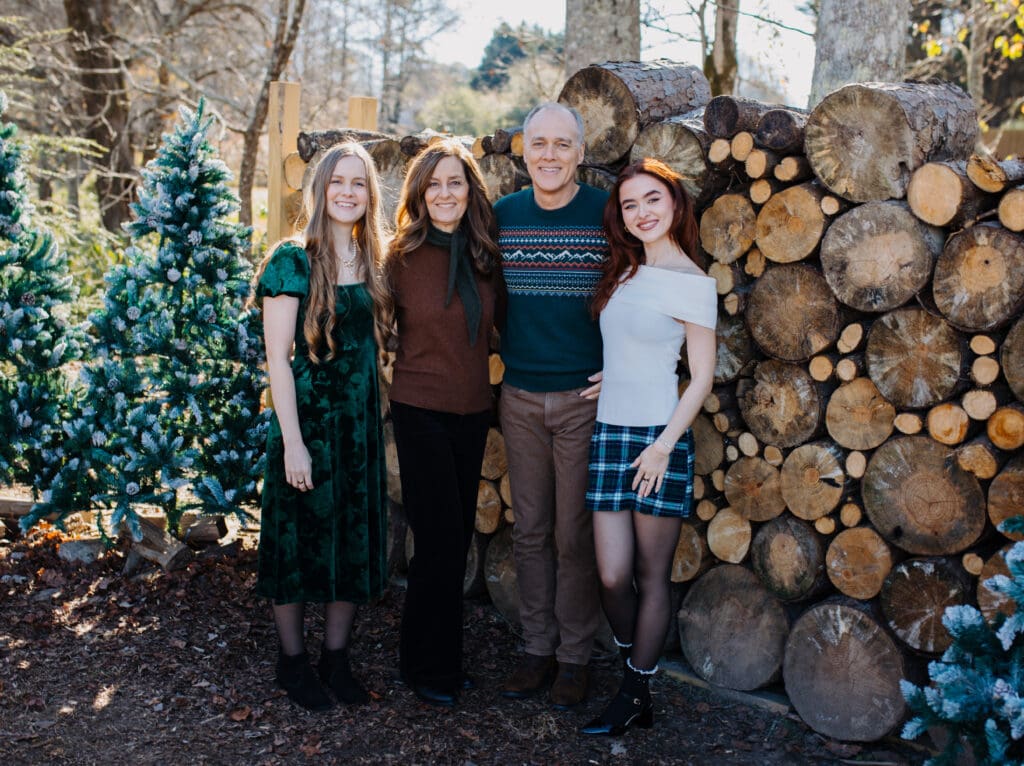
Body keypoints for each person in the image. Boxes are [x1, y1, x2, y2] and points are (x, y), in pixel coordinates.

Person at [580, 158, 717, 736]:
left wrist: (663, 447)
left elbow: (702, 378)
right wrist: (617, 374)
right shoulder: (625, 272)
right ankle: (634, 660)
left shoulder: (694, 283)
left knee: (650, 575)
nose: (642, 212)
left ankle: (635, 688)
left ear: (676, 204)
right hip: (610, 431)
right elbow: (635, 344)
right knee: (612, 575)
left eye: (652, 200)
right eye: (630, 204)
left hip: (658, 440)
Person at [254, 143, 390, 712]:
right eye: (338, 181)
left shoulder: (373, 261)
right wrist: (293, 444)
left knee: (351, 542)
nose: (348, 192)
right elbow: (277, 361)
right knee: (296, 543)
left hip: (357, 432)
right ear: (319, 189)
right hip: (304, 426)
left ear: (370, 194)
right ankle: (292, 663)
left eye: (359, 183)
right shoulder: (292, 260)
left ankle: (337, 659)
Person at [495, 102, 608, 709]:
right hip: (517, 396)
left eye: (562, 144)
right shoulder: (503, 217)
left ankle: (574, 658)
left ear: (580, 153)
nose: (549, 155)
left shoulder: (605, 214)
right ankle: (536, 649)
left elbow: (636, 290)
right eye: (538, 143)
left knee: (574, 534)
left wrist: (618, 366)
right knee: (531, 530)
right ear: (523, 150)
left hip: (581, 401)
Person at [384, 140, 504, 708]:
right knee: (436, 540)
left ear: (470, 190)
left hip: (472, 410)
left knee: (455, 541)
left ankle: (442, 661)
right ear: (419, 193)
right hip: (419, 409)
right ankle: (424, 667)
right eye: (433, 184)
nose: (444, 193)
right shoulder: (399, 257)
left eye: (454, 182)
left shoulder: (486, 254)